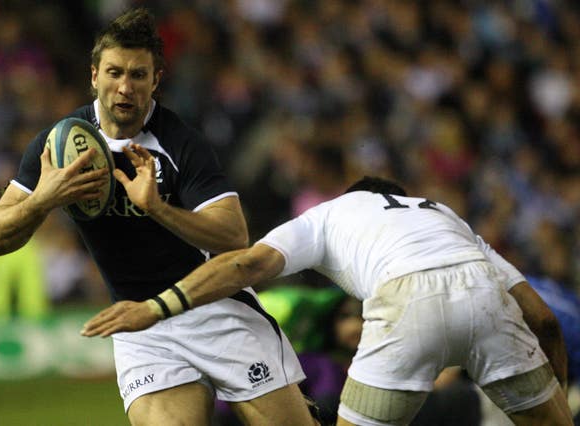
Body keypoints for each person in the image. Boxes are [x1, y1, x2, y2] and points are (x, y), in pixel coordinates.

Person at [0, 8, 317, 426]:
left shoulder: (180, 143)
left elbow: (234, 236)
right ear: (94, 75)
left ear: (155, 80)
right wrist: (43, 199)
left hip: (215, 308)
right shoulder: (59, 145)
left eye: (138, 75)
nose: (125, 87)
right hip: (142, 326)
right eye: (114, 72)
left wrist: (157, 208)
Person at [81, 176, 574, 426]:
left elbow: (244, 264)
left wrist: (156, 307)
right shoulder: (444, 216)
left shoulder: (330, 213)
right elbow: (544, 321)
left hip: (405, 300)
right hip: (483, 289)